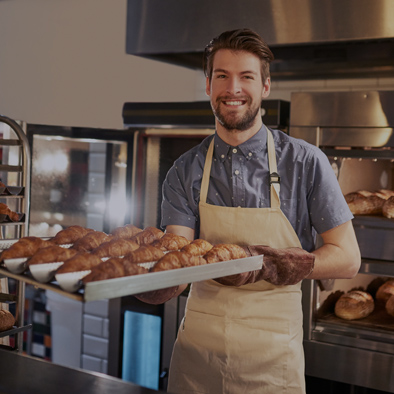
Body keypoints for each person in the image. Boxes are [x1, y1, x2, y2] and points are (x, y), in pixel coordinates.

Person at [136, 28, 361, 394]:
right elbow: (179, 258)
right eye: (222, 76)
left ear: (266, 86)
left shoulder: (305, 162)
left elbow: (348, 259)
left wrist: (286, 263)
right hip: (197, 357)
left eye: (246, 77)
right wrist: (146, 277)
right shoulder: (185, 169)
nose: (233, 88)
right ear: (208, 85)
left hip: (273, 361)